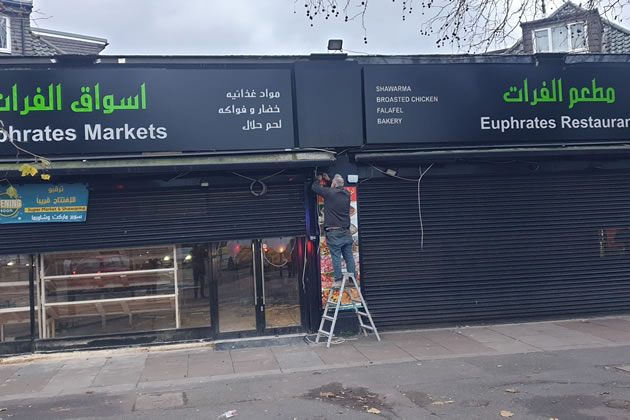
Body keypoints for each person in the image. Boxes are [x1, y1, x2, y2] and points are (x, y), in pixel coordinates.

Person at [312, 173, 356, 287]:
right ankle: (353, 280)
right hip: (346, 231)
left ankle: (338, 280)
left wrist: (318, 179)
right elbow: (338, 186)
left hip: (334, 232)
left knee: (336, 256)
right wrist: (330, 180)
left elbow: (315, 188)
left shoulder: (329, 192)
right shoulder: (347, 194)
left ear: (334, 185)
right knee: (349, 257)